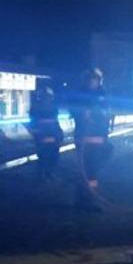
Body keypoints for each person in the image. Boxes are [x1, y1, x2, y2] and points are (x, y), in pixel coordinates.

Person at [70, 68, 112, 210]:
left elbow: (106, 114)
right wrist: (85, 113)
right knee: (86, 170)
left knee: (93, 171)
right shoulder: (80, 95)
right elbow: (75, 111)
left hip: (99, 138)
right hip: (84, 139)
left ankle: (89, 197)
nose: (91, 82)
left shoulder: (103, 95)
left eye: (94, 79)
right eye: (89, 79)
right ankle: (84, 199)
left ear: (99, 81)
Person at [28, 85, 63, 181]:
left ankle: (49, 173)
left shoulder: (53, 108)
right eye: (45, 97)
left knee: (53, 156)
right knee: (43, 156)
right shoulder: (36, 108)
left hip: (52, 135)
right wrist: (37, 134)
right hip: (43, 136)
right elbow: (33, 123)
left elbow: (56, 122)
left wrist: (59, 133)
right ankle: (42, 174)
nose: (47, 99)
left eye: (48, 97)